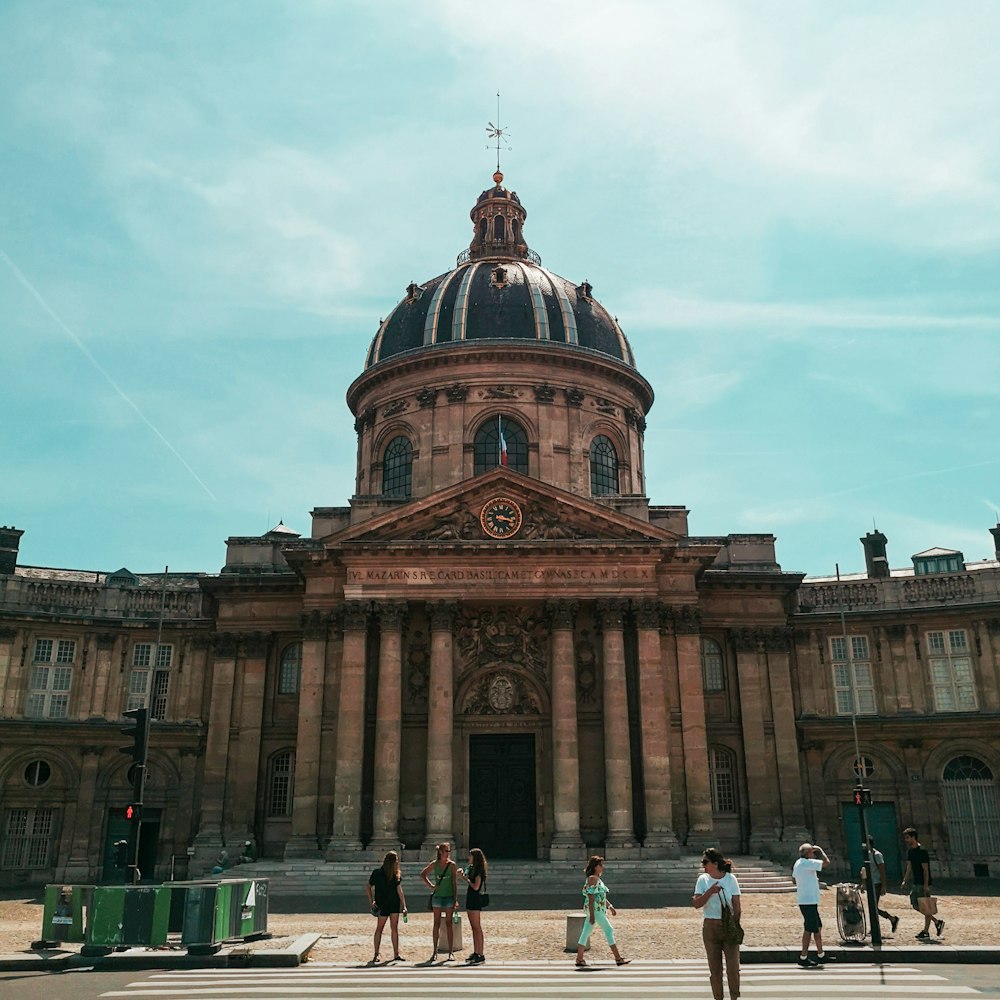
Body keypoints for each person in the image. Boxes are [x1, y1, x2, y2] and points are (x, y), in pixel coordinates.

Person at [693, 847, 741, 1000]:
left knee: (733, 968)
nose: (703, 865)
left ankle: (734, 997)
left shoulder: (730, 879)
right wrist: (710, 892)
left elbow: (737, 905)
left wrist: (735, 925)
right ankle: (718, 997)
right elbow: (696, 903)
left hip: (728, 925)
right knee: (715, 969)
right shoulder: (703, 880)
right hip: (710, 926)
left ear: (714, 863)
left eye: (705, 862)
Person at [574, 855, 630, 968]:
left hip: (597, 909)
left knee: (586, 932)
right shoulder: (592, 879)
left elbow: (601, 896)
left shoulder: (596, 879)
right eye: (600, 865)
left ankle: (579, 959)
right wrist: (592, 915)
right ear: (595, 867)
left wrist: (610, 907)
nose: (602, 867)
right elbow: (591, 897)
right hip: (596, 910)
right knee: (608, 929)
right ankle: (618, 958)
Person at [792, 842, 834, 966]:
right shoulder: (807, 863)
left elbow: (794, 879)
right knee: (809, 929)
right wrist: (821, 851)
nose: (814, 854)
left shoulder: (798, 863)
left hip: (807, 900)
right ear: (808, 853)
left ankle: (820, 954)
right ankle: (803, 957)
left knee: (817, 927)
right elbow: (826, 863)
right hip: (808, 900)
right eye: (812, 852)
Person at [901, 826, 945, 939]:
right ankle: (937, 922)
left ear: (913, 837)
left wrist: (926, 885)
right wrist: (905, 880)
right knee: (915, 904)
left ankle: (926, 931)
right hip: (916, 882)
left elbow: (926, 870)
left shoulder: (922, 851)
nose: (906, 840)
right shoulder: (910, 851)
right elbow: (909, 867)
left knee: (925, 906)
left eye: (907, 838)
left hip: (922, 882)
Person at [366, 850, 407, 963]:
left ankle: (395, 953)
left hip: (392, 904)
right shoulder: (378, 873)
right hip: (383, 904)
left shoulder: (395, 875)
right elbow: (368, 887)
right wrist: (372, 901)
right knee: (380, 929)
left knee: (393, 929)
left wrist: (404, 905)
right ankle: (377, 953)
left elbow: (399, 890)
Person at [420, 842, 458, 961]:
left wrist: (455, 899)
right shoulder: (434, 864)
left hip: (449, 896)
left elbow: (454, 882)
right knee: (436, 923)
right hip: (437, 896)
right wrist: (431, 886)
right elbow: (423, 874)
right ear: (441, 852)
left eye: (449, 851)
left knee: (449, 923)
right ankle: (434, 951)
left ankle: (450, 952)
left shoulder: (452, 865)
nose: (448, 853)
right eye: (446, 851)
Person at [860, 836, 898, 934]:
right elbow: (864, 870)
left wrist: (884, 886)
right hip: (870, 884)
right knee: (873, 907)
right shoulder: (867, 855)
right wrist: (863, 883)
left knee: (873, 907)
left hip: (877, 884)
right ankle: (891, 919)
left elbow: (882, 871)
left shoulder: (877, 855)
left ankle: (887, 922)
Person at [457, 847, 488, 964]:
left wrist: (465, 879)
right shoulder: (472, 869)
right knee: (474, 928)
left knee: (477, 927)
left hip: (475, 900)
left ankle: (480, 953)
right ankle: (476, 952)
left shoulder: (479, 870)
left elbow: (476, 886)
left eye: (470, 856)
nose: (468, 858)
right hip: (471, 898)